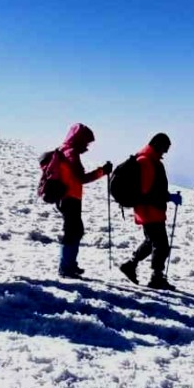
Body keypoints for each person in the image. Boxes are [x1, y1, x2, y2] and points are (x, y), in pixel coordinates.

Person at [119, 133, 181, 290]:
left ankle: (130, 265)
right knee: (162, 245)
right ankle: (156, 278)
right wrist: (168, 197)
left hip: (149, 209)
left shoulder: (149, 159)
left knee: (151, 241)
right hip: (149, 209)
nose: (165, 152)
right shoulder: (146, 162)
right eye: (165, 148)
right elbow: (147, 191)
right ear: (158, 145)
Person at [53, 124, 112, 278]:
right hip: (69, 198)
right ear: (79, 139)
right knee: (73, 231)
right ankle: (66, 267)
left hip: (66, 197)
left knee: (75, 230)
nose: (87, 145)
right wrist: (102, 171)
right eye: (86, 141)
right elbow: (81, 178)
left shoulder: (64, 150)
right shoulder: (71, 153)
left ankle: (69, 264)